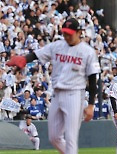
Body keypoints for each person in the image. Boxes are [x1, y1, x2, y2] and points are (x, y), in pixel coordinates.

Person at [6, 18, 100, 154]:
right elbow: (37, 54)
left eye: (70, 33)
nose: (66, 36)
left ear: (79, 32)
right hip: (57, 94)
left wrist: (91, 104)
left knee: (71, 138)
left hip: (74, 94)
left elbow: (92, 80)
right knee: (54, 137)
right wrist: (24, 59)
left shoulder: (88, 52)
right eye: (65, 33)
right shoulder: (57, 46)